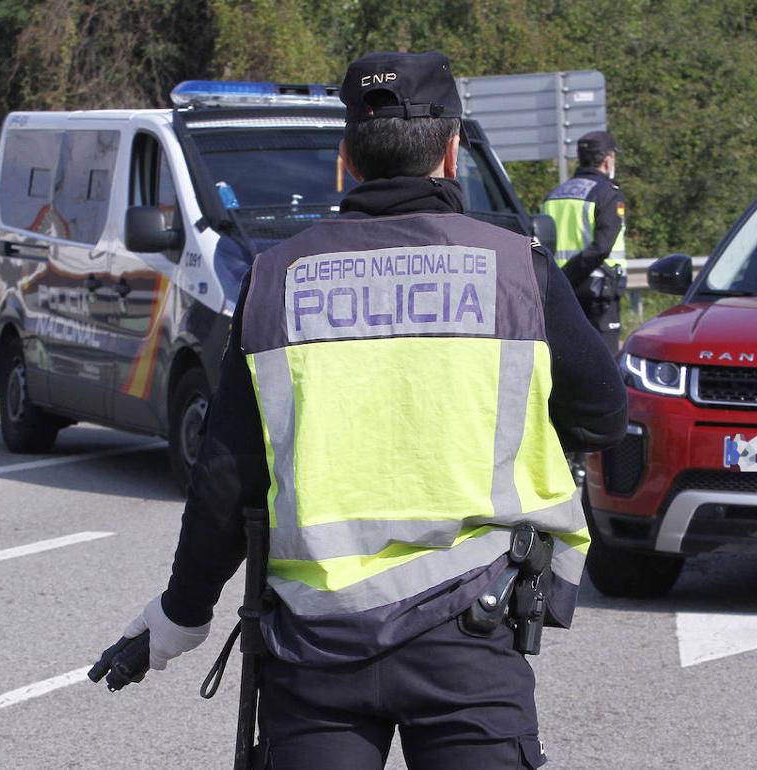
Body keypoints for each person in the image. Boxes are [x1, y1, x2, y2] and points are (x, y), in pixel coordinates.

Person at [113, 51, 627, 769]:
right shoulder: (517, 270)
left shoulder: (276, 279)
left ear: (346, 159)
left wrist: (181, 615)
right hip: (470, 637)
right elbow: (603, 415)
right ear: (452, 151)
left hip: (314, 648)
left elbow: (227, 474)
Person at [542, 131, 628, 354]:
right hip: (598, 293)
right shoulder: (607, 194)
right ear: (607, 159)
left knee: (568, 358)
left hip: (559, 290)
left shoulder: (553, 195)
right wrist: (571, 275)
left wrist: (563, 280)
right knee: (604, 362)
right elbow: (602, 247)